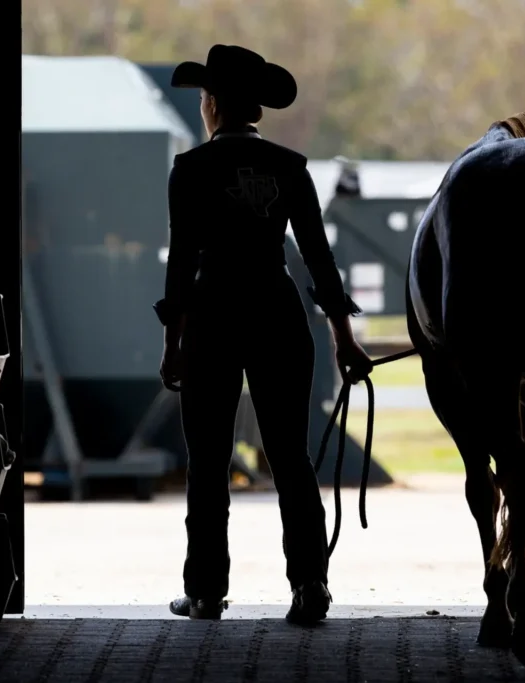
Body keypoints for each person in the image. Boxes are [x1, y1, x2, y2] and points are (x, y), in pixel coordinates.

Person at [153, 44, 373, 624]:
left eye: (203, 97)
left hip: (212, 315)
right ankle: (310, 587)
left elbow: (181, 262)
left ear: (215, 104)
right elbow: (320, 261)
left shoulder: (191, 169)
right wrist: (345, 340)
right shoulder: (292, 167)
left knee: (207, 459)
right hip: (277, 314)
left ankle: (204, 592)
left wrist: (172, 342)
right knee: (290, 457)